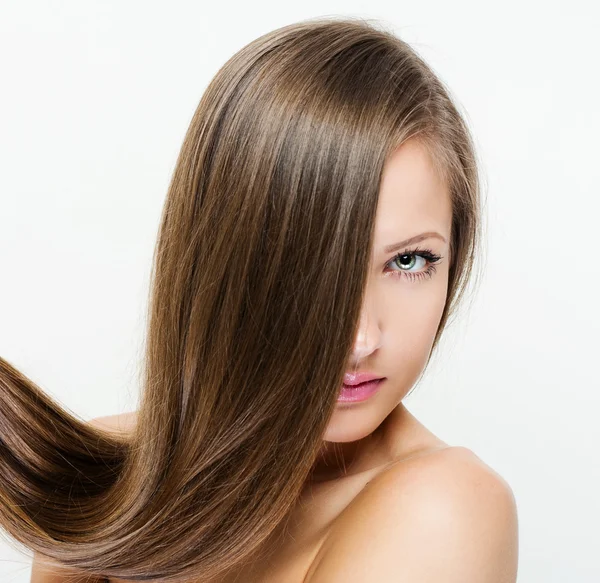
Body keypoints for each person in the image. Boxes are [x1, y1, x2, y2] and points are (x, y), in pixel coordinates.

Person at [1, 15, 518, 583]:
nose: (361, 338)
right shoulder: (109, 479)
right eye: (313, 265)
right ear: (225, 266)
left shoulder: (446, 507)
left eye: (410, 261)